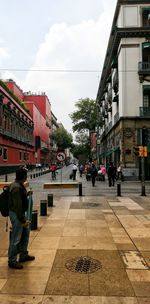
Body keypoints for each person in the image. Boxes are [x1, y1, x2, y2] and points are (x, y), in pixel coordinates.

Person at [8, 168, 35, 269]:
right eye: (26, 175)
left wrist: (27, 194)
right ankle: (12, 260)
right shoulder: (15, 187)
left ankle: (23, 255)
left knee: (25, 234)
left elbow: (20, 199)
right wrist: (23, 220)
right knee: (16, 238)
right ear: (24, 176)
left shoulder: (19, 185)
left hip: (20, 214)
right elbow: (18, 206)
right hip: (17, 215)